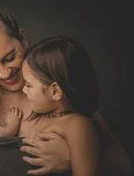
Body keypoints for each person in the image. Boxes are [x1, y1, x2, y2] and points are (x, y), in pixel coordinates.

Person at [0, 0, 132, 175]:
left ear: (22, 39)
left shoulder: (54, 88)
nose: (5, 73)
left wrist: (73, 157)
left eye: (10, 57)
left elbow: (124, 166)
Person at [22, 36, 101, 176]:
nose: (23, 90)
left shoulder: (78, 126)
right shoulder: (42, 115)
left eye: (28, 85)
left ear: (55, 91)